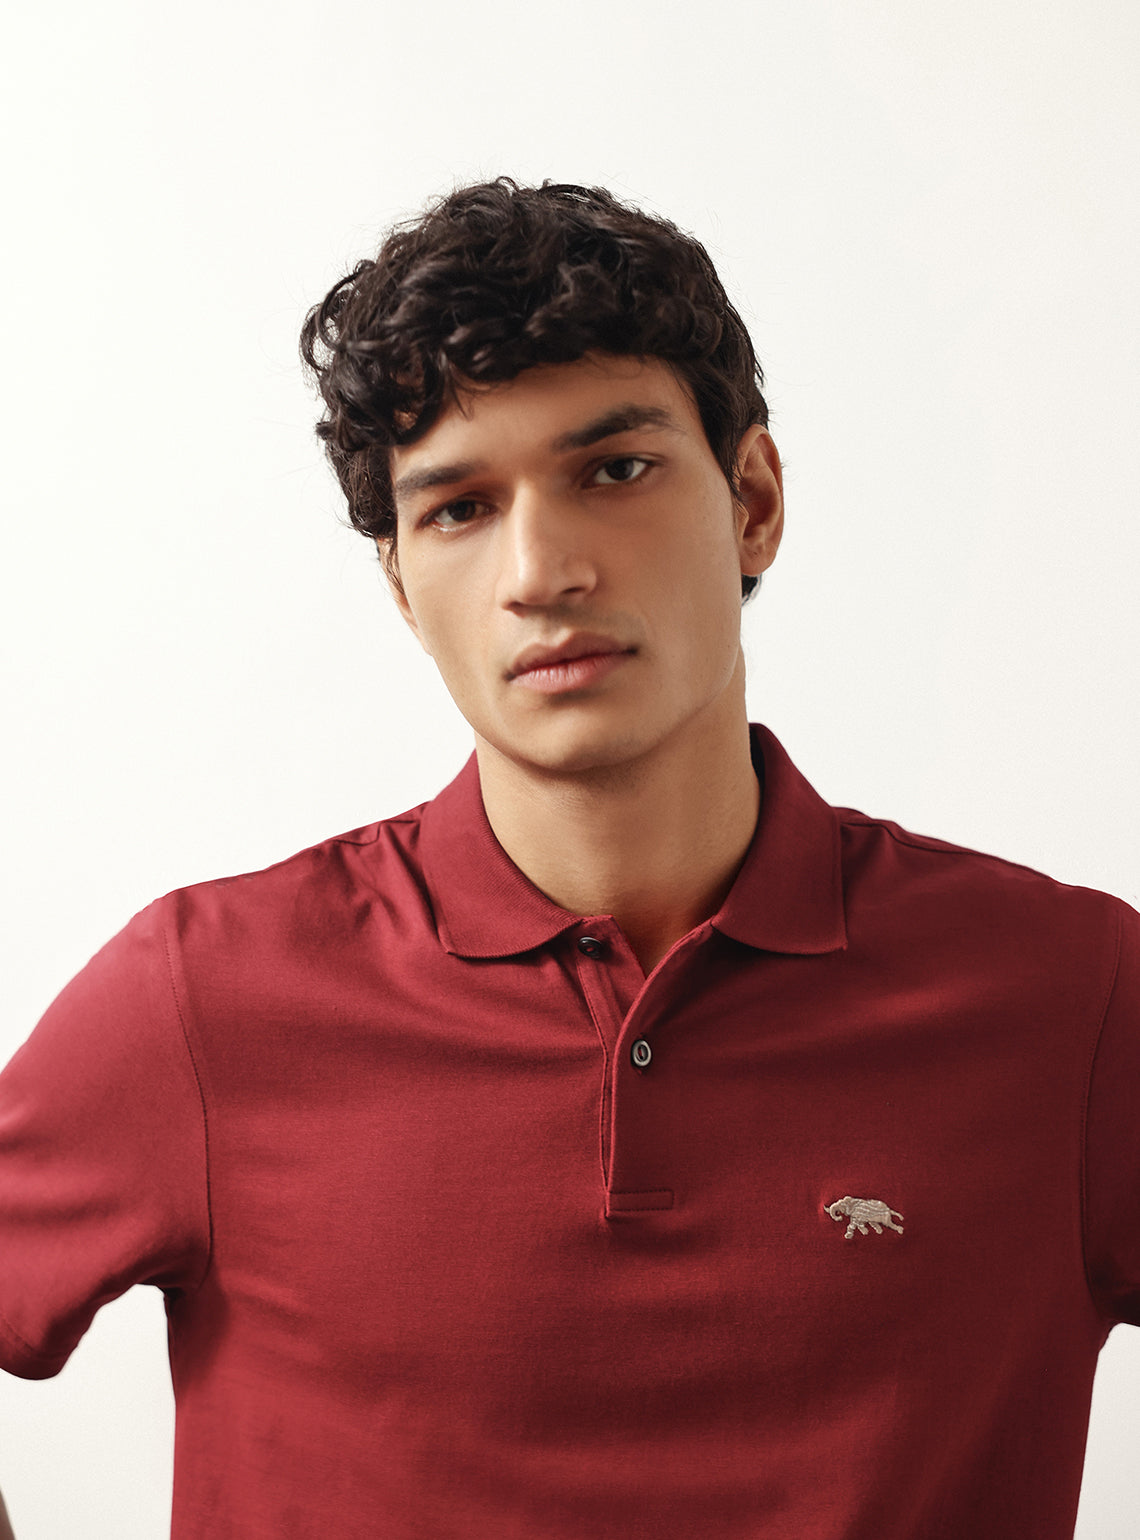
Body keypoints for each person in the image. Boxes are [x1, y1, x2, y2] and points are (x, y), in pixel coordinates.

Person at [1, 177, 1137, 1540]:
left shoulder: (1073, 999)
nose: (542, 571)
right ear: (400, 583)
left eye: (614, 470)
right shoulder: (203, 996)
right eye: (459, 509)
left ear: (754, 500)